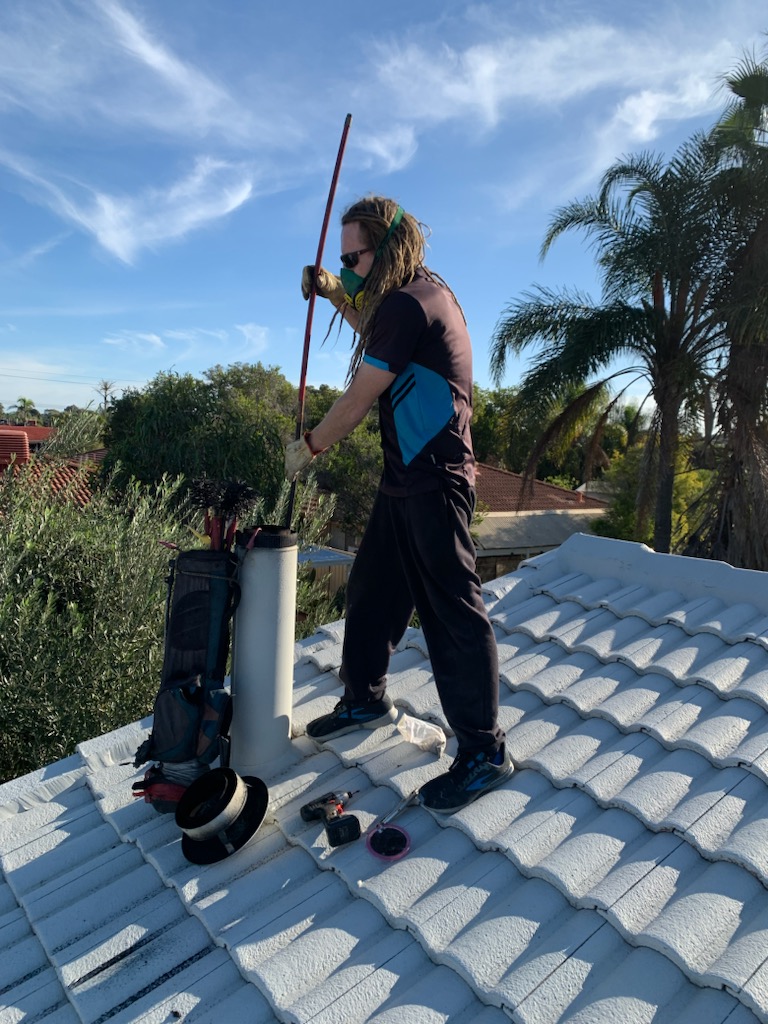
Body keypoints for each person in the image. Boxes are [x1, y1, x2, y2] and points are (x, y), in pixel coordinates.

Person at [285, 195, 511, 813]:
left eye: (352, 257)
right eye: (340, 260)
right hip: (403, 475)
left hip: (434, 479)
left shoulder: (412, 302)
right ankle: (365, 697)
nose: (347, 266)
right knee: (374, 590)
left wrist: (310, 446)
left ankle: (485, 754)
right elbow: (376, 330)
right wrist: (335, 291)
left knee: (451, 613)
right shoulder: (413, 296)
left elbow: (361, 394)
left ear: (383, 249)